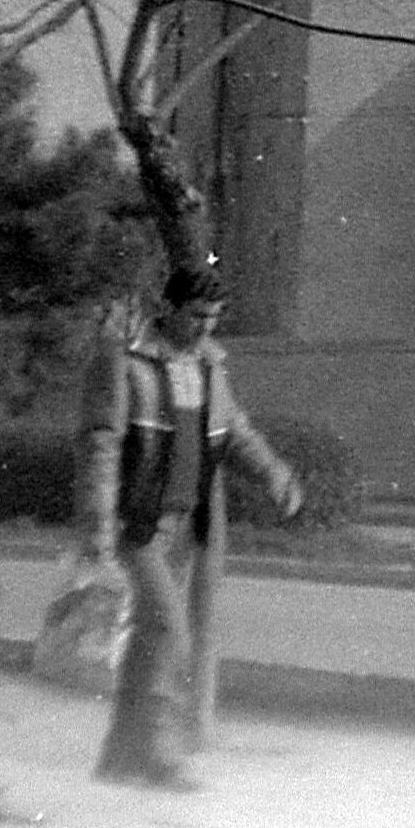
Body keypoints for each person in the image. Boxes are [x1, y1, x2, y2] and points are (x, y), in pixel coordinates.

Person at [79, 264, 302, 790]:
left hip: (183, 525)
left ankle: (120, 758)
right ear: (169, 309)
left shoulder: (208, 366)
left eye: (215, 319)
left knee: (147, 640)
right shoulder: (127, 365)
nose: (206, 328)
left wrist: (275, 474)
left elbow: (235, 430)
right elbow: (102, 447)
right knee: (171, 632)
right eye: (197, 316)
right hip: (136, 526)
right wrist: (97, 533)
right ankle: (160, 756)